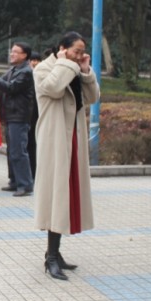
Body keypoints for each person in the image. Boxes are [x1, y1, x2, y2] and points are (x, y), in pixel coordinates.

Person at [34, 32, 100, 280]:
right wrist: (65, 63)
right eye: (76, 51)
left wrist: (86, 71)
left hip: (73, 137)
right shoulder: (44, 68)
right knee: (56, 196)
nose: (79, 55)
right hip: (54, 140)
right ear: (62, 48)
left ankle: (55, 253)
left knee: (67, 196)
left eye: (82, 51)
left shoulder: (75, 69)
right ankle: (51, 257)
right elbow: (52, 88)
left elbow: (93, 98)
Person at [0, 42, 35, 197]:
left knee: (19, 152)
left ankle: (25, 185)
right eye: (12, 51)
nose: (12, 54)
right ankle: (15, 181)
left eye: (16, 52)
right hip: (11, 116)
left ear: (24, 55)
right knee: (12, 151)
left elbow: (10, 87)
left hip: (19, 117)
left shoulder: (26, 72)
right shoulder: (14, 69)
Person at [27, 51, 43, 178]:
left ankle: (35, 173)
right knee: (29, 145)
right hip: (27, 116)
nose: (34, 63)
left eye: (37, 60)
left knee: (35, 145)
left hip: (38, 115)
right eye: (32, 60)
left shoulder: (42, 75)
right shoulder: (26, 75)